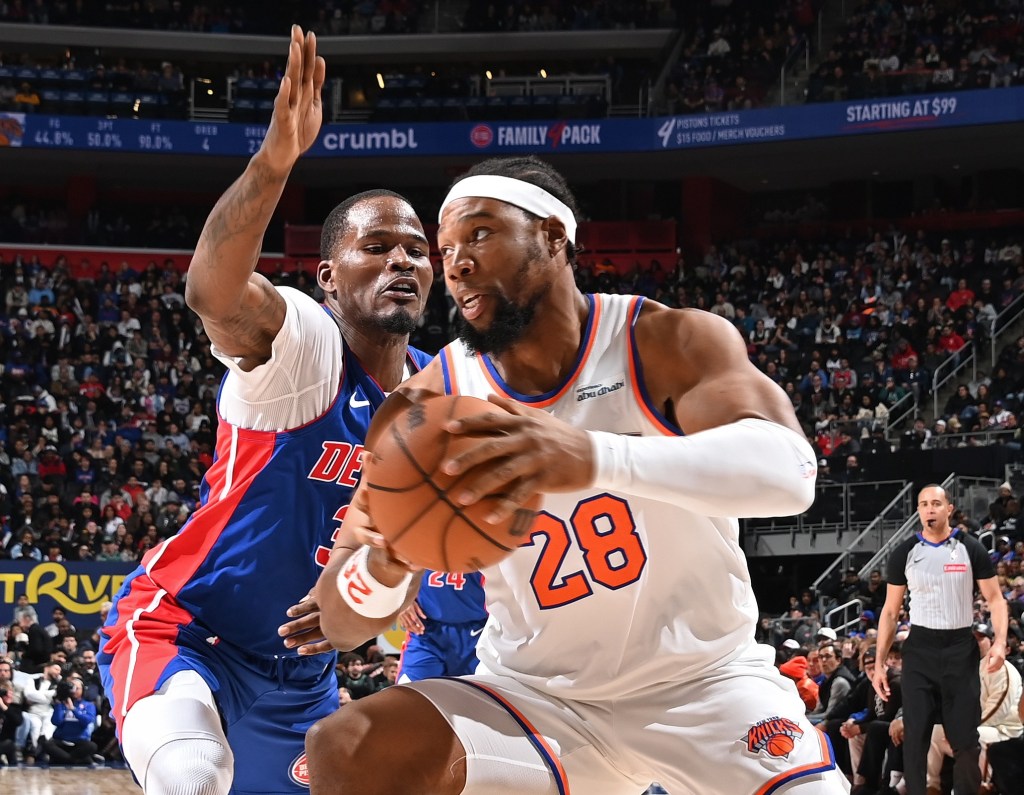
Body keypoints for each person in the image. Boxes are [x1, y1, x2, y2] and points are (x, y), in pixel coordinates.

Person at [306, 155, 849, 793]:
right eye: (446, 248)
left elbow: (791, 472)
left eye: (480, 234)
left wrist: (593, 457)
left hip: (704, 684)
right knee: (348, 746)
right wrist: (385, 563)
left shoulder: (661, 341)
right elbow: (339, 621)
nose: (456, 264)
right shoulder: (428, 404)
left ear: (553, 236)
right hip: (536, 699)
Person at [96, 26, 434, 795]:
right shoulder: (309, 347)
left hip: (302, 674)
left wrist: (406, 578)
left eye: (417, 249)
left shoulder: (435, 395)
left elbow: (419, 532)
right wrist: (274, 162)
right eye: (377, 246)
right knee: (194, 772)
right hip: (189, 630)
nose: (402, 259)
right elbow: (213, 293)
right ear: (328, 277)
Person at [873, 484, 1009, 795]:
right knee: (915, 738)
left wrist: (1000, 642)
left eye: (936, 503)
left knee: (966, 740)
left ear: (949, 509)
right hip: (920, 649)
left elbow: (996, 599)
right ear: (918, 511)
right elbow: (891, 612)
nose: (929, 509)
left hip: (960, 649)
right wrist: (879, 663)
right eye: (923, 504)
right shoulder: (905, 552)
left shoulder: (970, 548)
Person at [926, 622, 1022, 793]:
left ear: (991, 641)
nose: (975, 642)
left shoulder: (1002, 668)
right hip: (973, 726)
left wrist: (964, 729)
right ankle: (931, 787)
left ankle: (982, 787)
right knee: (936, 731)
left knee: (977, 736)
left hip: (1004, 729)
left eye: (980, 638)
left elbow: (998, 710)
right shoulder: (966, 668)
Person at [396, 570, 487, 682]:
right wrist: (399, 597)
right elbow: (389, 565)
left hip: (479, 632)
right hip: (425, 630)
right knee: (408, 690)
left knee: (482, 691)